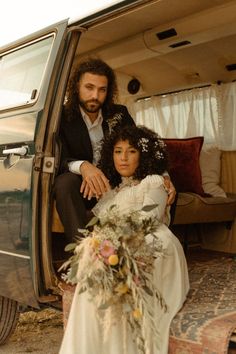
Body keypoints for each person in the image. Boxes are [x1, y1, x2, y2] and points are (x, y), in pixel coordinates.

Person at [59, 125, 189, 354]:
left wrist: (115, 243)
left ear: (143, 155)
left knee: (121, 274)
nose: (124, 158)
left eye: (131, 151)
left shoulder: (154, 181)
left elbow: (149, 218)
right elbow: (96, 222)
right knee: (93, 276)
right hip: (119, 244)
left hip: (152, 241)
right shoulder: (112, 191)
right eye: (118, 151)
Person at [54, 57, 176, 243]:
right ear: (77, 86)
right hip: (82, 188)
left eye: (102, 89)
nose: (95, 95)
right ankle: (82, 251)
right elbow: (56, 157)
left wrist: (164, 176)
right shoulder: (60, 117)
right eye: (89, 87)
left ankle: (151, 244)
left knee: (164, 186)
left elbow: (142, 147)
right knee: (64, 183)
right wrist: (84, 167)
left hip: (116, 183)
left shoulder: (119, 113)